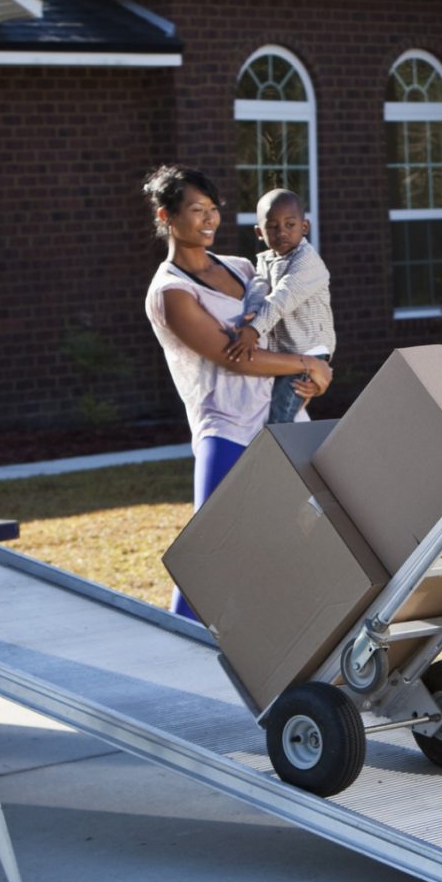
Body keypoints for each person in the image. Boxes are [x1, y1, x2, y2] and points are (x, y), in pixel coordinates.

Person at [142, 165, 332, 619]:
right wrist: (309, 365)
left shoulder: (245, 267)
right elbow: (234, 356)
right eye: (196, 211)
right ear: (167, 216)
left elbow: (286, 329)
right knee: (207, 553)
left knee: (308, 539)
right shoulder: (170, 293)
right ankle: (180, 653)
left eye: (213, 211)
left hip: (282, 418)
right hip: (225, 429)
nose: (208, 221)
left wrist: (317, 371)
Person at [224, 188, 335, 424]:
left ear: (304, 227)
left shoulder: (307, 262)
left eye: (290, 224)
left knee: (280, 417)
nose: (281, 232)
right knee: (272, 407)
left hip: (308, 349)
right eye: (273, 226)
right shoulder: (267, 259)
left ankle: (275, 455)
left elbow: (282, 298)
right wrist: (252, 311)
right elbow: (259, 285)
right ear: (259, 232)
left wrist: (254, 329)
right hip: (288, 351)